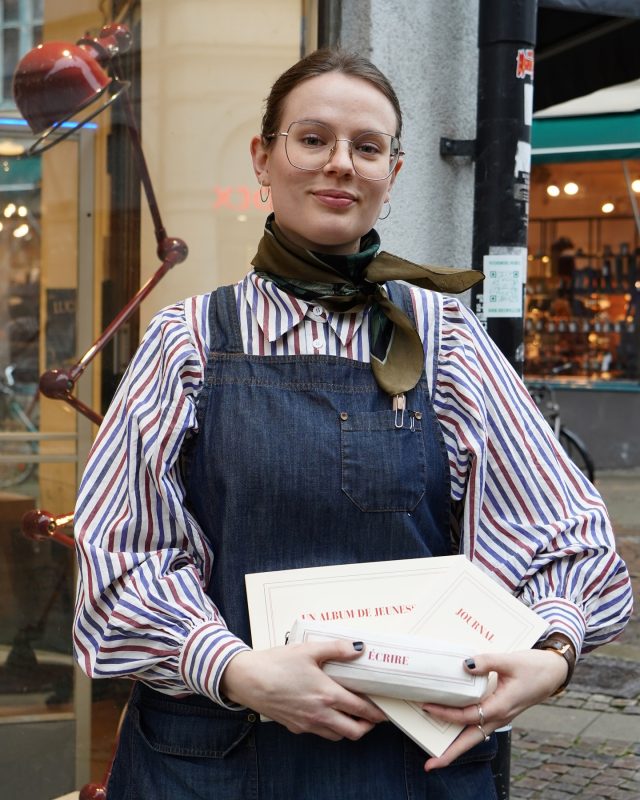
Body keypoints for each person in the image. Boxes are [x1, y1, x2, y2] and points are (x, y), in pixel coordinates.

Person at [73, 49, 632, 800]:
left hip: (407, 768)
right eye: (313, 139)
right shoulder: (187, 342)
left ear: (392, 176)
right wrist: (231, 668)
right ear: (263, 159)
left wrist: (552, 652)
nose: (340, 164)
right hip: (212, 764)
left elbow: (567, 538)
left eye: (366, 147)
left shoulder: (447, 339)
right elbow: (117, 562)